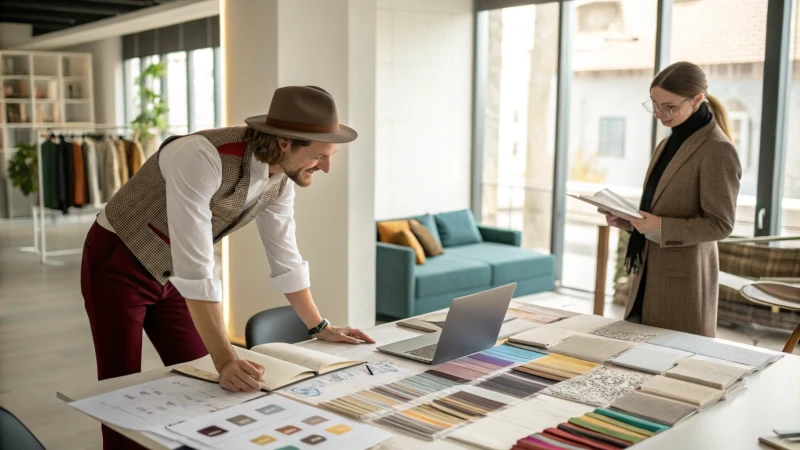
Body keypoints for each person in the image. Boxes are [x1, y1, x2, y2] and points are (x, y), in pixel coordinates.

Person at [81, 86, 375, 449]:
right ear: (285, 142)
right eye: (320, 155)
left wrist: (319, 326)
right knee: (121, 388)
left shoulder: (281, 182)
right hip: (119, 260)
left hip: (174, 274)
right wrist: (226, 360)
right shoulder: (201, 156)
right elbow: (197, 269)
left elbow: (285, 257)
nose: (326, 167)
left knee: (200, 379)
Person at [602, 61, 742, 337]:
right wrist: (632, 222)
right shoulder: (667, 144)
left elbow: (720, 225)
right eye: (654, 104)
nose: (659, 113)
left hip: (684, 282)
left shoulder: (718, 150)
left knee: (673, 366)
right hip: (648, 274)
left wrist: (659, 226)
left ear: (697, 100)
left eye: (669, 107)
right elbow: (661, 207)